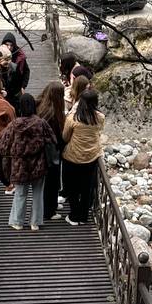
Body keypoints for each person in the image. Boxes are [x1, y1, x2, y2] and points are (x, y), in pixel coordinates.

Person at [0, 93, 56, 232]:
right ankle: (35, 222)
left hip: (20, 166)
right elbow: (52, 140)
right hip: (39, 165)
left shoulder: (14, 124)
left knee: (20, 193)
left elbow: (1, 140)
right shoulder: (41, 123)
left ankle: (17, 222)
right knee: (37, 194)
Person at [61, 88, 104, 225]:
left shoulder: (72, 118)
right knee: (87, 188)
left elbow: (65, 136)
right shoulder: (100, 118)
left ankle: (74, 215)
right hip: (91, 157)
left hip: (72, 157)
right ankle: (84, 216)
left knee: (72, 187)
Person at [36, 80, 66, 220]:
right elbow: (57, 136)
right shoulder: (53, 114)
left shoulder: (42, 106)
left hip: (42, 151)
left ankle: (51, 204)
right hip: (51, 151)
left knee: (48, 181)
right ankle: (49, 211)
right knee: (51, 181)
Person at [0, 33, 30, 105]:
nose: (9, 47)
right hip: (5, 90)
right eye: (7, 45)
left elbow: (26, 71)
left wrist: (23, 86)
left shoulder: (19, 56)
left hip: (17, 89)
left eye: (11, 45)